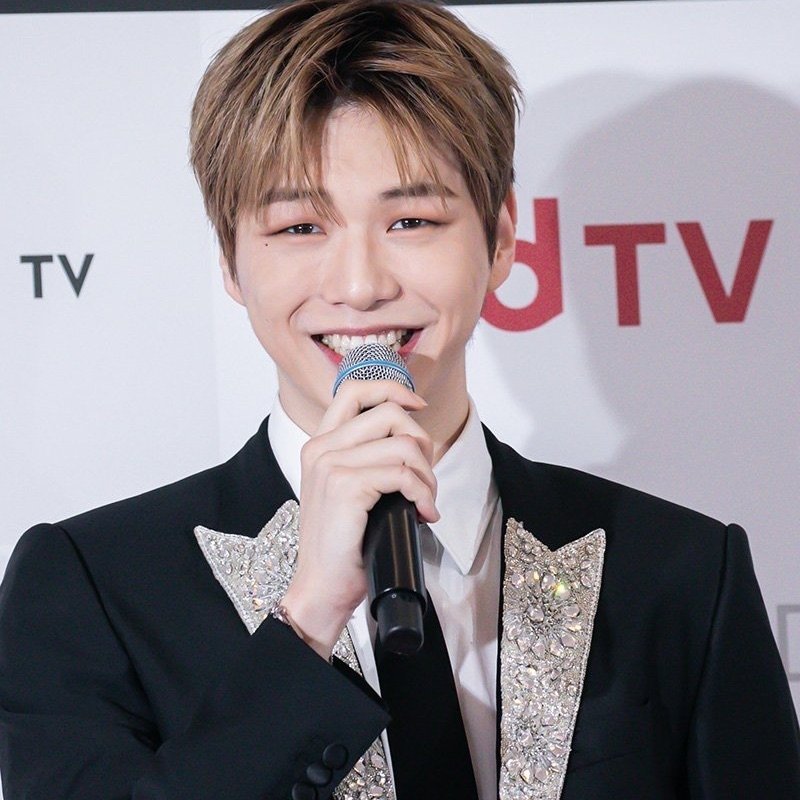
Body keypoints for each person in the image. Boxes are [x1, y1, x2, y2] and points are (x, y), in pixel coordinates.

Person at [1, 1, 798, 798]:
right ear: (231, 260)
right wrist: (307, 618)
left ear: (501, 237)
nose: (360, 286)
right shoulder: (89, 588)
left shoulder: (683, 571)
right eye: (300, 228)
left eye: (411, 219)